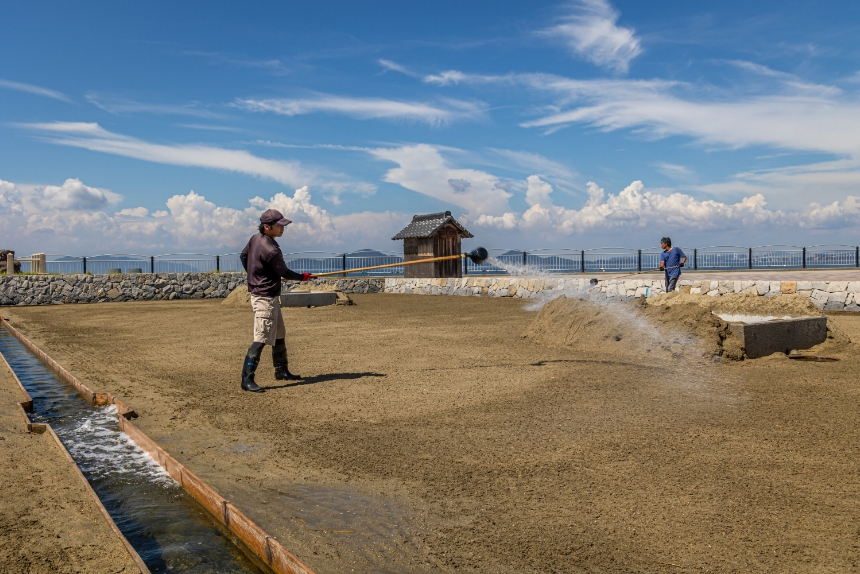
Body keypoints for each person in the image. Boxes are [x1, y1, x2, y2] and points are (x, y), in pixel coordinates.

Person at [239, 209, 313, 393]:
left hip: (268, 295)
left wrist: (254, 274)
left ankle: (281, 370)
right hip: (265, 297)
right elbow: (285, 273)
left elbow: (243, 256)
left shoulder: (255, 238)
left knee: (279, 333)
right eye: (279, 226)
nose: (283, 229)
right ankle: (247, 379)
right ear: (267, 227)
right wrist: (303, 277)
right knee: (261, 337)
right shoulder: (271, 249)